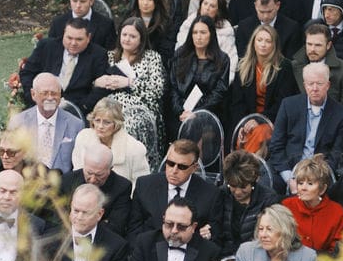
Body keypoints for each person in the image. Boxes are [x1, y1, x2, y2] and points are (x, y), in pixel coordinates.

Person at [267, 62, 343, 192]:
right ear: (304, 85)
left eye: (320, 83)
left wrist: (317, 178)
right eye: (310, 84)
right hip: (289, 169)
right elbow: (276, 145)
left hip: (320, 172)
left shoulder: (341, 114)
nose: (315, 88)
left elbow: (337, 153)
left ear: (328, 85)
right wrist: (289, 178)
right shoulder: (288, 105)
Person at [128, 138, 223, 246]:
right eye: (170, 163)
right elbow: (134, 230)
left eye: (182, 167)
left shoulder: (210, 194)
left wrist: (208, 234)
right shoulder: (145, 186)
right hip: (150, 253)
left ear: (194, 168)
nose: (174, 171)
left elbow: (215, 236)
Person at [96, 16, 166, 159]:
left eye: (132, 36)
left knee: (128, 124)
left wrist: (128, 82)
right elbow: (95, 81)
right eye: (124, 35)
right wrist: (98, 82)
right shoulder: (110, 56)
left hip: (140, 109)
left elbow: (157, 90)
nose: (127, 39)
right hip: (111, 106)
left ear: (141, 39)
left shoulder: (151, 58)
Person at [49, 184, 128, 261]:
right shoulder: (52, 238)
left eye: (85, 212)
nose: (79, 217)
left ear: (99, 214)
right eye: (76, 211)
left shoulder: (116, 246)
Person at [18, 21, 109, 120]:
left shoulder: (98, 55)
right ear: (64, 34)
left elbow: (102, 88)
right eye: (69, 38)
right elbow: (27, 73)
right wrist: (34, 98)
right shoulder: (46, 46)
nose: (73, 43)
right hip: (41, 104)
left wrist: (83, 107)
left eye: (79, 39)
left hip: (77, 111)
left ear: (88, 38)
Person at [227, 23, 296, 143]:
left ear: (274, 45)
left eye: (268, 41)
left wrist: (259, 119)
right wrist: (243, 124)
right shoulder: (243, 66)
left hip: (271, 119)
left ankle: (247, 161)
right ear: (253, 43)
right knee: (237, 134)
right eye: (259, 40)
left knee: (258, 133)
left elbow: (282, 103)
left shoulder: (284, 67)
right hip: (246, 119)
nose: (263, 44)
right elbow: (237, 102)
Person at [169, 15, 230, 139]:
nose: (198, 36)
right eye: (195, 32)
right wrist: (181, 111)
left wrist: (197, 113)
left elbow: (219, 93)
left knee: (197, 131)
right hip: (180, 113)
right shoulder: (180, 55)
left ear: (211, 34)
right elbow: (173, 87)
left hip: (208, 114)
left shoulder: (222, 59)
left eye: (203, 32)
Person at [9, 72, 82, 174]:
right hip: (26, 184)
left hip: (62, 185)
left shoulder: (76, 125)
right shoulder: (18, 122)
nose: (50, 98)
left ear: (60, 95)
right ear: (33, 94)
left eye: (54, 93)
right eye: (45, 93)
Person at [71, 97, 150, 188]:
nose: (100, 126)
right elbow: (77, 174)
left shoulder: (134, 148)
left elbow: (141, 184)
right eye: (97, 120)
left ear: (116, 124)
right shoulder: (83, 138)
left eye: (106, 122)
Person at [283, 154, 343, 254]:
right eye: (300, 183)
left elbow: (338, 251)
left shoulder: (337, 212)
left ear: (322, 189)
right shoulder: (287, 206)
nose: (303, 188)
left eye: (310, 183)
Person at [63, 143, 132, 237]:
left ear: (110, 169)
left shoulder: (122, 187)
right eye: (89, 173)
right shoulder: (67, 181)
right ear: (84, 165)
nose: (92, 180)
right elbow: (58, 219)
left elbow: (116, 226)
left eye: (99, 175)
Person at [219, 150, 277, 249]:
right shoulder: (221, 194)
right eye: (232, 185)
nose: (237, 192)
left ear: (255, 180)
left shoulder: (268, 199)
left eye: (243, 187)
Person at [291, 19, 343, 106]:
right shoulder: (293, 67)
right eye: (309, 44)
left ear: (328, 45)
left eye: (318, 45)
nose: (312, 49)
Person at [174, 0, 238, 75]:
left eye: (212, 6)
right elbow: (180, 56)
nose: (207, 8)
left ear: (218, 11)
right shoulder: (188, 25)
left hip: (215, 81)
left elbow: (231, 64)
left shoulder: (226, 31)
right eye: (205, 4)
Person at [232, 0, 301, 60]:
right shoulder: (244, 27)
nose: (265, 16)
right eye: (261, 12)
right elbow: (243, 58)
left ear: (277, 6)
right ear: (255, 6)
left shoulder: (291, 28)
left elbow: (291, 60)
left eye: (269, 11)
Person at [46, 0, 116, 51]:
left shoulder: (106, 24)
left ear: (91, 1)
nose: (78, 5)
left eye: (82, 1)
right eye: (74, 1)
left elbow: (110, 54)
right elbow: (51, 51)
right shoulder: (58, 23)